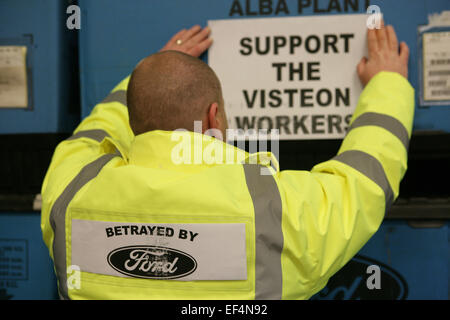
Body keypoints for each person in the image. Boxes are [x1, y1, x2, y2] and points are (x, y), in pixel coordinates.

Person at [41, 22, 413, 300]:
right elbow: (365, 179)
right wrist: (387, 84)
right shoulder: (275, 208)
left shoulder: (69, 192)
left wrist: (153, 74)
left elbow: (90, 135)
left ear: (132, 121)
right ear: (214, 117)